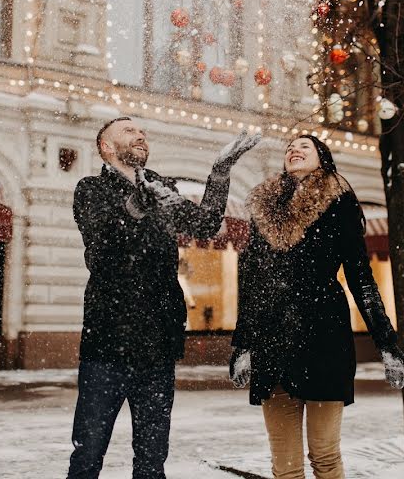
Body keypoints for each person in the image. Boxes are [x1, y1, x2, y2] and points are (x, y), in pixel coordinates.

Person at [68, 117, 260, 479]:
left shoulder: (160, 186)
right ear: (106, 148)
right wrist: (133, 210)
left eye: (142, 131)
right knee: (88, 453)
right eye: (128, 131)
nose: (140, 135)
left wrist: (220, 173)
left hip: (158, 343)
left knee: (153, 459)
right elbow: (100, 253)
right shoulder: (90, 189)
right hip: (107, 344)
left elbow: (205, 225)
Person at [229, 135, 404, 479]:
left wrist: (387, 343)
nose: (294, 150)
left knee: (325, 457)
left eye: (305, 147)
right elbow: (252, 283)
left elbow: (361, 277)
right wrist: (242, 345)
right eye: (289, 147)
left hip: (323, 336)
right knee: (285, 466)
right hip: (272, 340)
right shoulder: (265, 206)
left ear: (322, 158)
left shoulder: (338, 202)